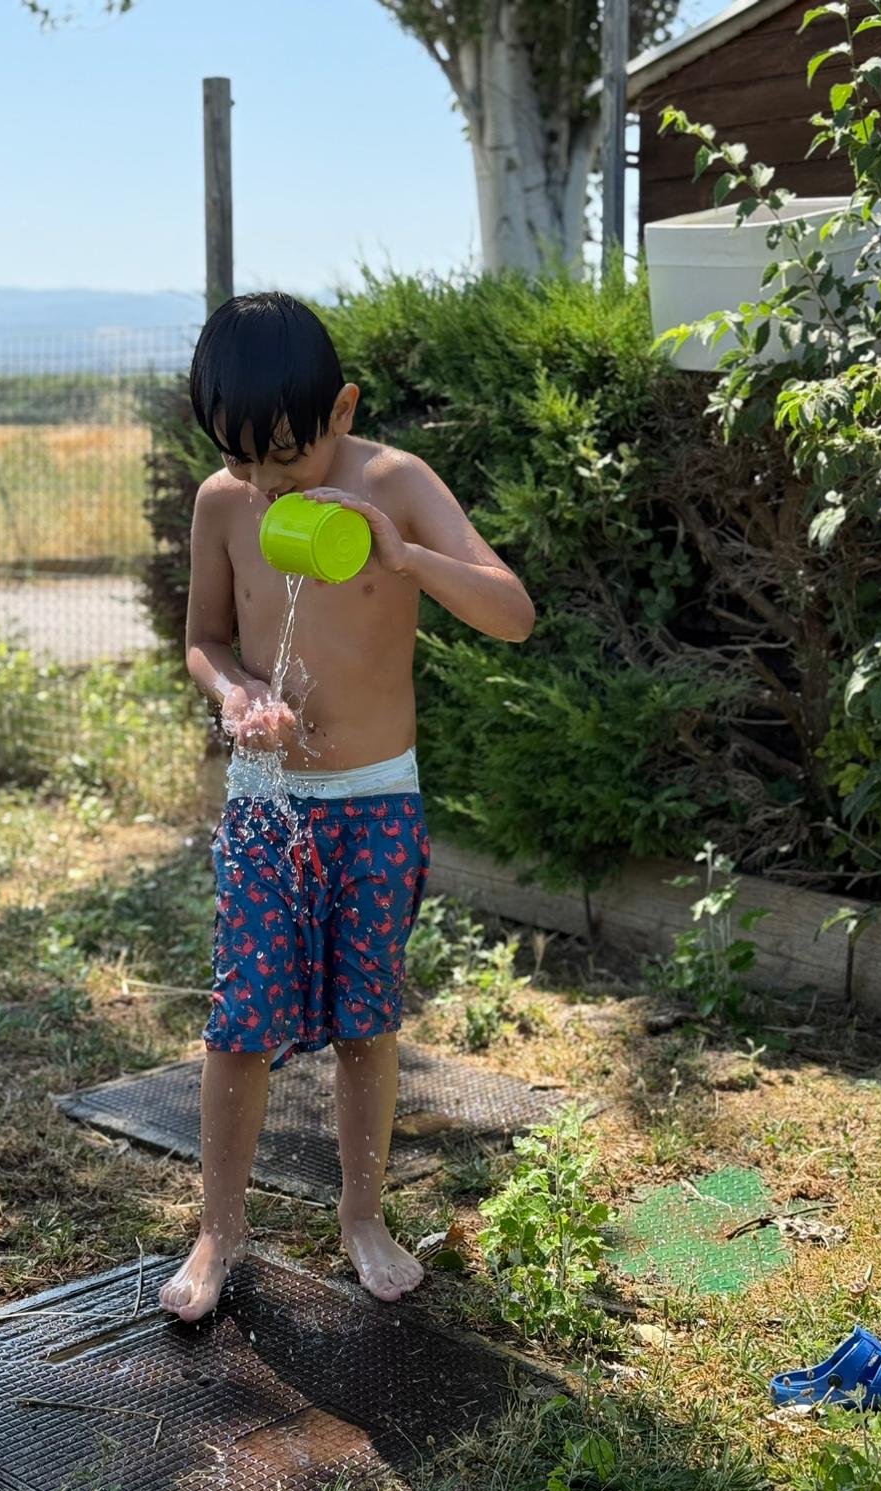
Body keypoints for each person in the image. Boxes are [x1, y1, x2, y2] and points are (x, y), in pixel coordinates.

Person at [158, 291, 535, 1323]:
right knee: (241, 1023)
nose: (267, 484)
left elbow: (512, 612)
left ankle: (362, 1217)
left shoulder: (394, 484)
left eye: (286, 457)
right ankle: (219, 1229)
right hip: (267, 802)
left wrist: (405, 556)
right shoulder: (222, 504)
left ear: (342, 410)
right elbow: (205, 641)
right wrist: (237, 694)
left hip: (374, 804)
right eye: (241, 459)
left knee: (367, 1021)